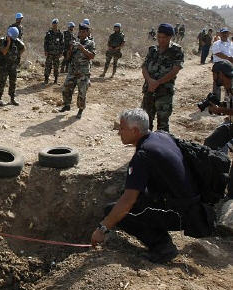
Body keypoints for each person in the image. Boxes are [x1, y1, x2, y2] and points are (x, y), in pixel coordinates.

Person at [91, 108, 214, 264]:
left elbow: (127, 202)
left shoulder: (143, 155)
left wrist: (103, 228)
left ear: (135, 130)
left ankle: (163, 247)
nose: (119, 132)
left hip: (183, 214)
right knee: (127, 200)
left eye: (122, 128)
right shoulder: (161, 136)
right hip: (193, 205)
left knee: (114, 211)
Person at [141, 23, 184, 132]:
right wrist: (150, 81)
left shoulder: (176, 51)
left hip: (164, 92)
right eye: (159, 37)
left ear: (170, 37)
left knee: (163, 126)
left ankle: (161, 147)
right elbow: (144, 67)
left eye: (164, 37)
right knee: (145, 123)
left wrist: (158, 82)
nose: (161, 40)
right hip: (149, 90)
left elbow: (175, 70)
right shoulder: (152, 49)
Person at [205, 61, 233, 197]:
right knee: (211, 143)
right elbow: (229, 106)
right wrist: (218, 108)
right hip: (231, 125)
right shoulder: (228, 87)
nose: (214, 78)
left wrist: (220, 109)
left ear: (220, 74)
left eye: (214, 75)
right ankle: (217, 179)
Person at [60, 23, 95, 119]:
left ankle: (80, 109)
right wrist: (70, 49)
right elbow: (67, 57)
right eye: (80, 31)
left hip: (83, 72)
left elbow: (92, 56)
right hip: (73, 70)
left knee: (82, 92)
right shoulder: (75, 42)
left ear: (87, 33)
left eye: (83, 31)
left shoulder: (90, 43)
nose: (81, 33)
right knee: (66, 88)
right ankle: (67, 105)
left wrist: (82, 49)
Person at [0, 27, 25, 106]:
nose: (13, 40)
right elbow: (4, 52)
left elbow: (23, 47)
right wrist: (9, 42)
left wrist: (18, 54)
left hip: (13, 66)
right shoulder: (3, 40)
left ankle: (12, 99)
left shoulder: (16, 40)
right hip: (4, 66)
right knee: (2, 82)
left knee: (13, 82)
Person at [212, 28, 233, 101]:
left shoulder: (231, 43)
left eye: (226, 33)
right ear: (220, 34)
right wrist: (228, 58)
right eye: (223, 33)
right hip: (219, 66)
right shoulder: (216, 43)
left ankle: (227, 101)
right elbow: (217, 53)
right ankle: (216, 101)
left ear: (228, 34)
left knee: (229, 84)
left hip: (229, 66)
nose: (225, 34)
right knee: (217, 83)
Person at [44, 19, 64, 84]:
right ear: (52, 24)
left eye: (56, 24)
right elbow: (45, 43)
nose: (55, 25)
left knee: (56, 67)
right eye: (54, 24)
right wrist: (46, 51)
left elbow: (62, 44)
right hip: (49, 53)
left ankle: (55, 80)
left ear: (57, 25)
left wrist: (61, 52)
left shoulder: (60, 34)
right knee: (48, 66)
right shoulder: (49, 33)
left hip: (57, 54)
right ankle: (46, 79)